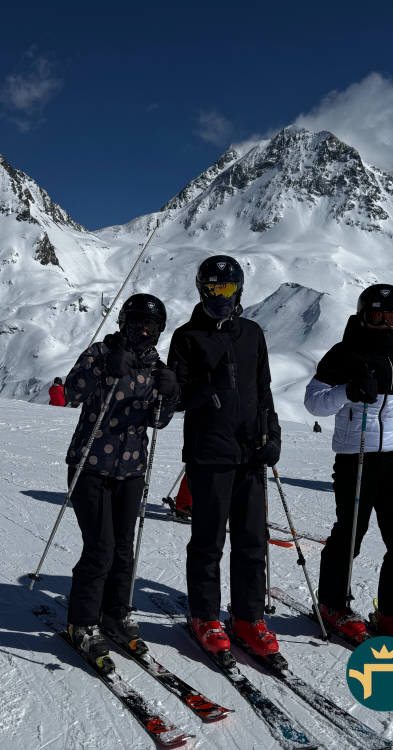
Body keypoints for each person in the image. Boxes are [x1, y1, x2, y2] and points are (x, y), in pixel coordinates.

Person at [167, 255, 283, 663]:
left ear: (239, 290)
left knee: (252, 541)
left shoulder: (252, 333)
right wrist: (207, 384)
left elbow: (264, 391)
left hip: (250, 452)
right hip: (209, 455)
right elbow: (175, 399)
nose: (221, 296)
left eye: (228, 288)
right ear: (202, 290)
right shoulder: (187, 337)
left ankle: (248, 617)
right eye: (213, 288)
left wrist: (273, 436)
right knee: (208, 542)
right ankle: (205, 616)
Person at [62, 293, 179, 672]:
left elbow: (158, 421)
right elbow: (71, 392)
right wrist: (103, 368)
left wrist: (171, 394)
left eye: (151, 326)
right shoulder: (101, 352)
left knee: (124, 549)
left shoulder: (155, 367)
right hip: (90, 466)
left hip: (130, 471)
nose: (142, 331)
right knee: (101, 548)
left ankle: (114, 612)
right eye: (136, 323)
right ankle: (82, 622)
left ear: (159, 331)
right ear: (124, 324)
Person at [304, 284, 393, 648]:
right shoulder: (345, 352)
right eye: (376, 316)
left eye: (392, 316)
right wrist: (347, 391)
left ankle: (392, 612)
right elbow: (313, 401)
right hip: (355, 456)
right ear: (362, 315)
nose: (384, 324)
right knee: (350, 535)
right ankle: (333, 604)